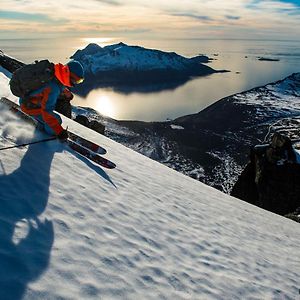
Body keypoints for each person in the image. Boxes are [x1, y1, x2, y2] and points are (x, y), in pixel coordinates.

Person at [19, 60, 84, 141]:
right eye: (75, 80)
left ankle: (40, 122)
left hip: (29, 100)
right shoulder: (53, 88)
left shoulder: (55, 72)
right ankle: (46, 131)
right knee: (57, 120)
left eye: (79, 81)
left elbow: (57, 84)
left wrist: (67, 94)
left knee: (53, 115)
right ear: (67, 74)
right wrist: (59, 131)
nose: (75, 83)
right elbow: (47, 111)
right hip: (28, 105)